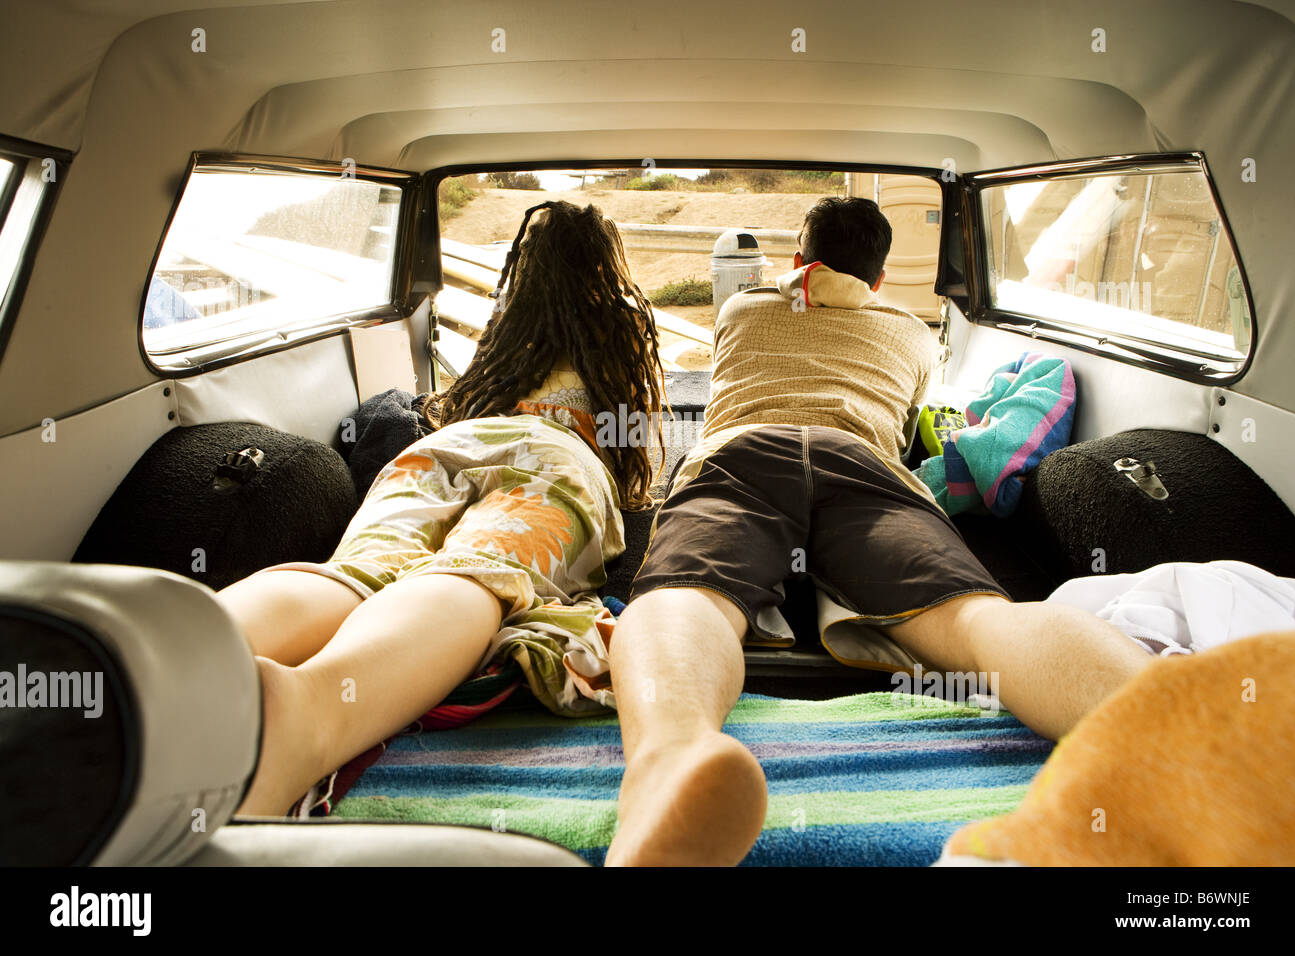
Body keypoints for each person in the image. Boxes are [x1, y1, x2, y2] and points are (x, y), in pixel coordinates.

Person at [603, 196, 1151, 866]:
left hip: (742, 451)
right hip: (864, 465)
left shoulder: (739, 309)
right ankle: (1167, 728)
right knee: (974, 620)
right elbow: (911, 417)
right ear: (882, 280)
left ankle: (673, 758)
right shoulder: (914, 336)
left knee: (686, 596)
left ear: (799, 259)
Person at [216, 200, 665, 816]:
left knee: (360, 572)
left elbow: (457, 404)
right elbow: (631, 445)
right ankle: (310, 716)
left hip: (443, 449)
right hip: (556, 459)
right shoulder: (615, 331)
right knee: (479, 570)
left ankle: (182, 655)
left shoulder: (510, 332)